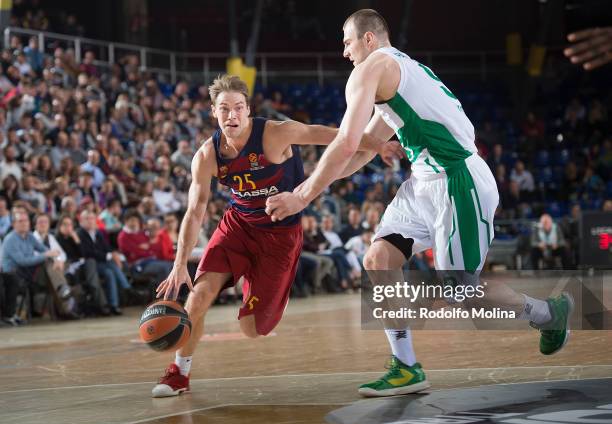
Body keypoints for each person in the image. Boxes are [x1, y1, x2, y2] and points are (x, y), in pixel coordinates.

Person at [265, 9, 574, 397]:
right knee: (378, 260)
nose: (344, 52)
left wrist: (302, 196)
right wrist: (304, 187)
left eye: (346, 42)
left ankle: (548, 314)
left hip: (458, 180)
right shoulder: (396, 79)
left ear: (369, 39)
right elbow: (360, 154)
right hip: (424, 182)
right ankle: (406, 366)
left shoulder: (372, 68)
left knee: (462, 294)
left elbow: (345, 142)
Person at [152, 74, 391, 398]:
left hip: (280, 236)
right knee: (197, 297)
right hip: (238, 227)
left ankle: (270, 287)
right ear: (213, 112)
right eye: (224, 109)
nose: (232, 116)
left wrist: (378, 143)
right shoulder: (206, 156)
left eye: (238, 108)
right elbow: (195, 212)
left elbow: (335, 135)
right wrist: (180, 263)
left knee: (253, 329)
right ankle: (179, 371)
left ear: (248, 110)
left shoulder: (277, 133)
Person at [79, 210, 130, 315]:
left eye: (92, 218)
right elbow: (87, 252)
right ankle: (127, 288)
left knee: (110, 273)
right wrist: (109, 255)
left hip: (102, 263)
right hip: (90, 266)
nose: (90, 221)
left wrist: (112, 254)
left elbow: (107, 248)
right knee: (113, 263)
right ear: (81, 221)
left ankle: (113, 305)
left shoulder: (98, 233)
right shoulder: (80, 233)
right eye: (87, 219)